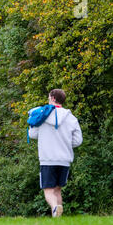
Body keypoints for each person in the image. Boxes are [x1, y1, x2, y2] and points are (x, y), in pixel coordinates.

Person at [28, 89, 83, 217]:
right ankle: (58, 217)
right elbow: (78, 141)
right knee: (58, 190)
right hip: (64, 160)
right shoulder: (71, 118)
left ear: (53, 98)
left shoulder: (42, 116)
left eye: (48, 97)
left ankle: (54, 208)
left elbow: (32, 134)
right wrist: (64, 143)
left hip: (48, 159)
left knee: (48, 191)